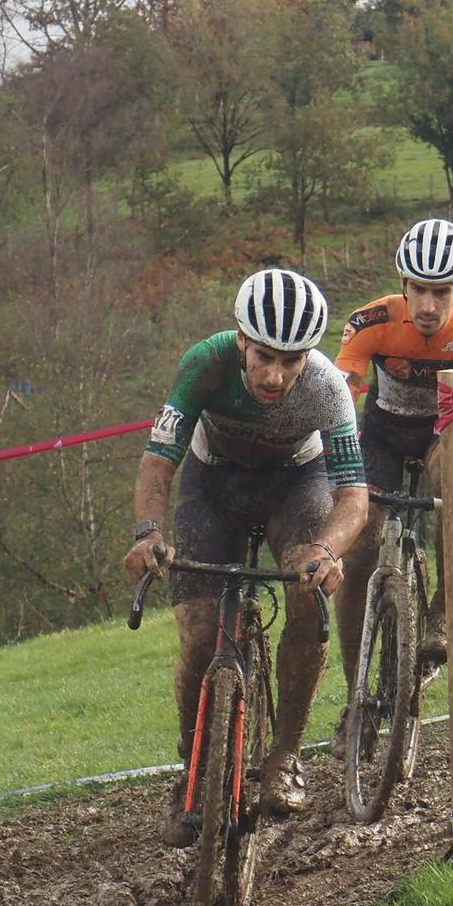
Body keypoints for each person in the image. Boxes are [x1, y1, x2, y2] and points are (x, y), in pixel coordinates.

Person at [123, 268, 369, 848]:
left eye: (291, 361)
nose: (275, 375)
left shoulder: (327, 387)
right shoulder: (204, 364)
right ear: (241, 340)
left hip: (295, 486)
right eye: (263, 357)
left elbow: (353, 496)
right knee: (200, 634)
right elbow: (158, 463)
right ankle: (192, 767)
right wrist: (148, 532)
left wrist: (327, 551)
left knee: (306, 597)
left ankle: (284, 756)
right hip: (213, 486)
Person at [332, 217, 453, 702]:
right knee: (358, 549)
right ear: (402, 284)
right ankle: (356, 691)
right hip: (382, 434)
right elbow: (340, 399)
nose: (428, 306)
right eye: (418, 290)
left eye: (441, 292)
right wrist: (335, 467)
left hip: (444, 429)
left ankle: (441, 618)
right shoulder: (370, 322)